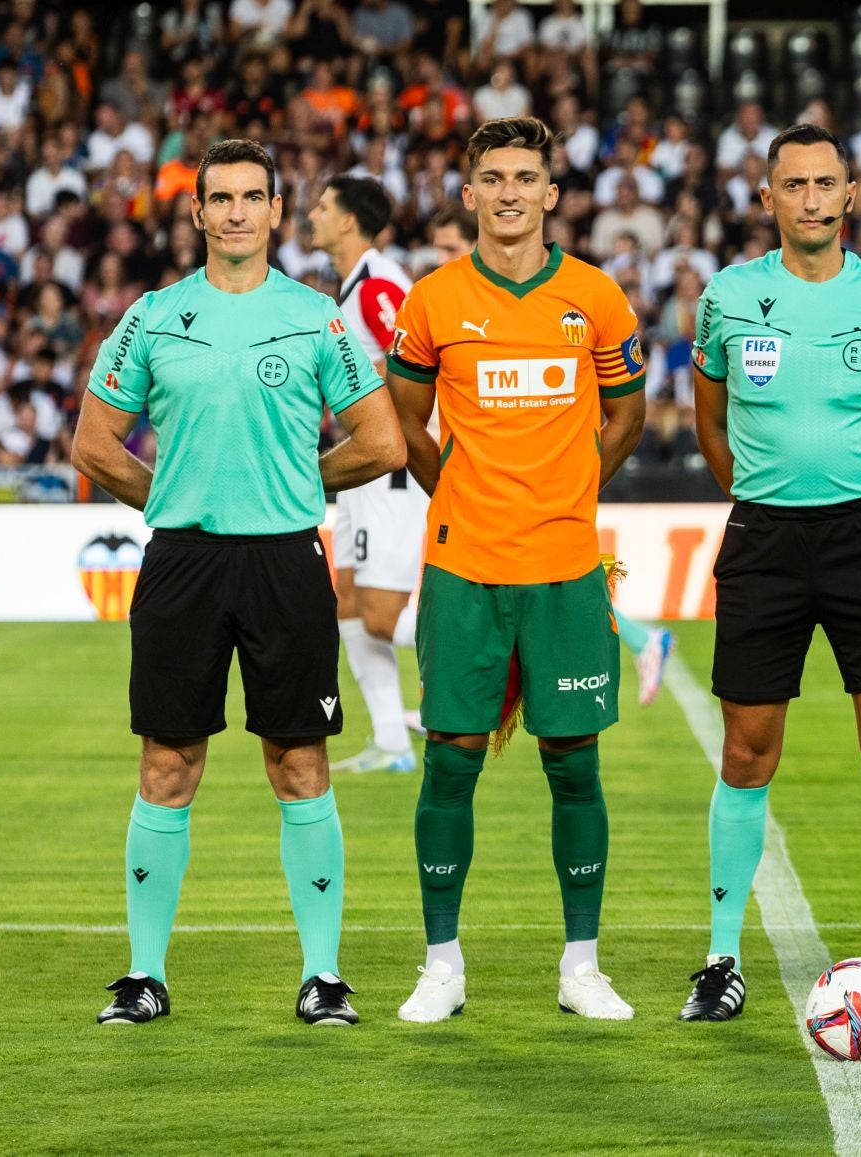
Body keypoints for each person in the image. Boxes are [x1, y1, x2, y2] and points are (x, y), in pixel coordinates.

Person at [73, 139, 405, 1026]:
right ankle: (144, 975)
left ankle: (324, 976)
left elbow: (383, 441)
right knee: (165, 762)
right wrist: (172, 496)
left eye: (251, 198)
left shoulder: (315, 316)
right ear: (197, 213)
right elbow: (94, 442)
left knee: (300, 762)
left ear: (274, 211)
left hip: (285, 559)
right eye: (218, 198)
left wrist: (301, 481)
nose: (234, 213)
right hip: (181, 559)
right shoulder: (152, 316)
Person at [385, 117, 647, 1022]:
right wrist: (457, 493)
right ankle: (441, 963)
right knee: (450, 758)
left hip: (567, 567)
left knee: (574, 760)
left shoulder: (596, 298)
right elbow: (408, 425)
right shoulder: (431, 302)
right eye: (490, 177)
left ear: (551, 194)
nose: (507, 192)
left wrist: (570, 492)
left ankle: (582, 965)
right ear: (467, 194)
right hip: (465, 567)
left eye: (524, 177)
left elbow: (626, 417)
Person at [679, 123, 861, 1023]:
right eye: (793, 185)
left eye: (826, 183)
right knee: (747, 751)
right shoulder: (727, 297)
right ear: (768, 200)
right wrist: (758, 495)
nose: (811, 199)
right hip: (763, 539)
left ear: (851, 193)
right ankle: (720, 957)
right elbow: (710, 419)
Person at [307, 175, 423, 775]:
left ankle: (502, 649)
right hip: (357, 460)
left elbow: (411, 362)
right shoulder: (352, 285)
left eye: (323, 207)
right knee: (347, 601)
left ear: (349, 220)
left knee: (380, 613)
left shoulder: (378, 285)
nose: (312, 214)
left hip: (387, 462)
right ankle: (392, 743)